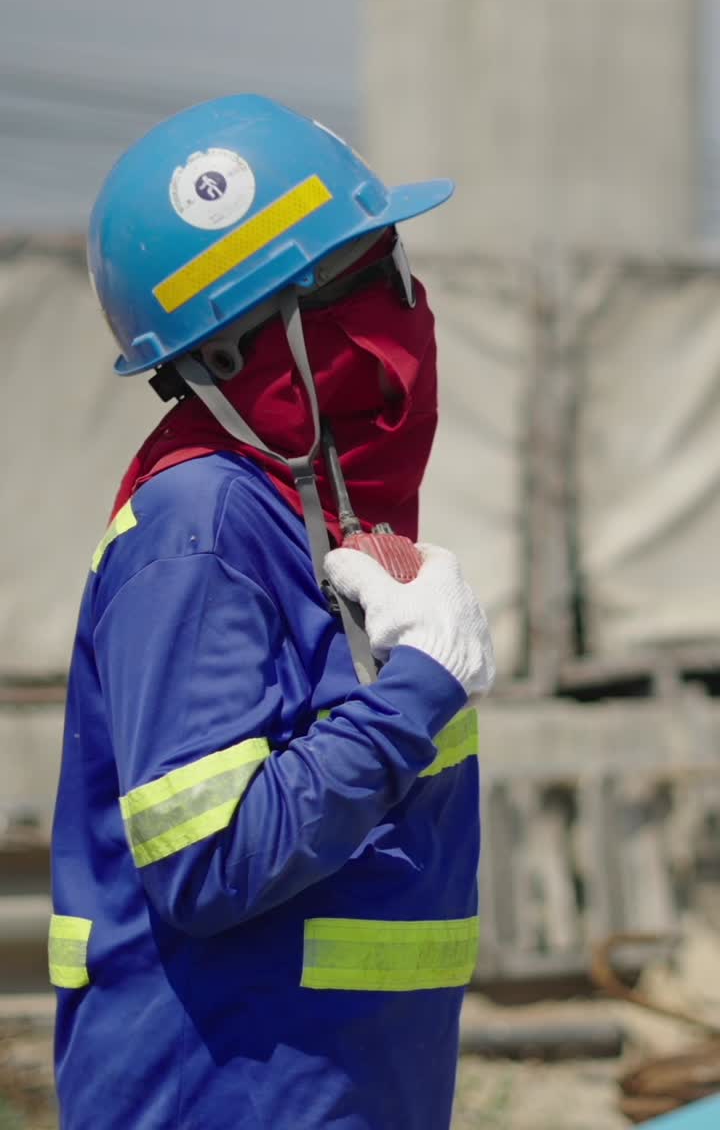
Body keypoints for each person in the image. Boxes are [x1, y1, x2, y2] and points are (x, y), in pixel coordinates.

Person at [49, 94, 495, 1130]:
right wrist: (420, 686)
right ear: (246, 342)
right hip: (220, 1100)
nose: (406, 298)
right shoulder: (202, 528)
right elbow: (210, 860)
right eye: (365, 277)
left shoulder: (302, 520)